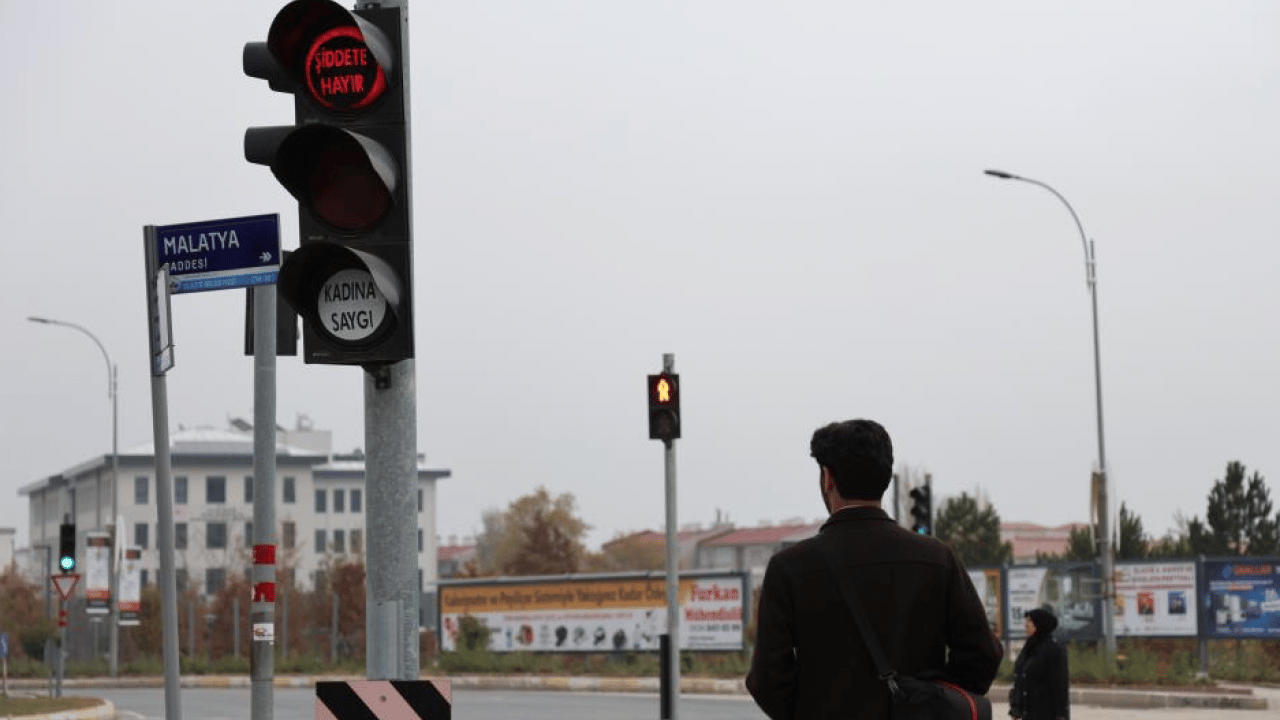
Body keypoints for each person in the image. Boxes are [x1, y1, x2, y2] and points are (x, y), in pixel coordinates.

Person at [746, 419, 1003, 719]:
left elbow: (767, 679)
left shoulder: (789, 568)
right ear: (884, 478)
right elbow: (983, 654)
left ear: (828, 479)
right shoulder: (937, 559)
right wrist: (930, 702)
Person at [1009, 607, 1070, 720]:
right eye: (1026, 621)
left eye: (1030, 622)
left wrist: (1061, 715)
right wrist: (1016, 705)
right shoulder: (1029, 647)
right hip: (1028, 712)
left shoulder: (1053, 648)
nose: (1026, 625)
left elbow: (1060, 684)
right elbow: (1020, 677)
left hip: (1046, 712)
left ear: (1040, 624)